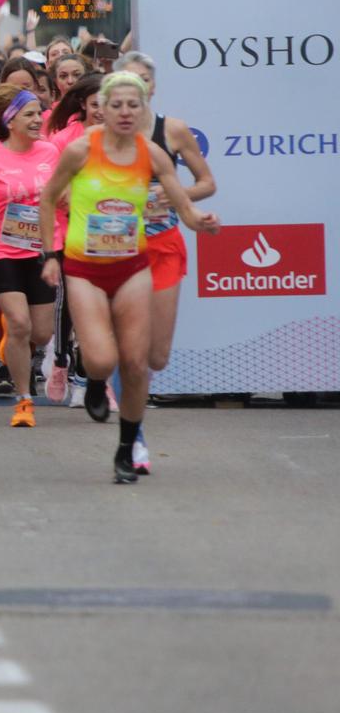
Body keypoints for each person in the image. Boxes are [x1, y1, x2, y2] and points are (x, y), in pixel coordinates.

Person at [38, 72, 218, 484]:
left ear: (143, 109)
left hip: (133, 266)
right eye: (115, 105)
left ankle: (126, 445)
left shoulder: (152, 154)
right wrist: (49, 254)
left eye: (131, 106)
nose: (123, 112)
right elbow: (48, 198)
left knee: (137, 363)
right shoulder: (82, 150)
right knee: (102, 358)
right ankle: (95, 377)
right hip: (84, 267)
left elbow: (180, 203)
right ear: (99, 107)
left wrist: (199, 221)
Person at [120, 51, 216, 472]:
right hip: (117, 249)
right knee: (132, 354)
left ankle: (129, 391)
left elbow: (207, 183)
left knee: (157, 357)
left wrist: (171, 196)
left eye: (142, 80)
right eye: (126, 82)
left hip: (163, 246)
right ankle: (134, 436)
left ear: (153, 88)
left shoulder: (171, 130)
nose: (134, 89)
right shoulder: (100, 137)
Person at [0, 85, 60, 449]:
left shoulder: (50, 151)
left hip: (41, 248)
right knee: (21, 322)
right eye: (29, 114)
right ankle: (24, 399)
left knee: (39, 333)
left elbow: (59, 194)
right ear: (10, 121)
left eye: (40, 112)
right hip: (0, 247)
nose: (38, 119)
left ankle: (14, 340)